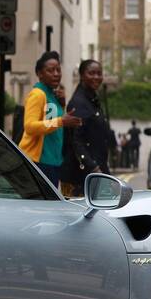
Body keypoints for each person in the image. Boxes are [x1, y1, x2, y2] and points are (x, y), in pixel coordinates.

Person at [18, 51, 81, 188]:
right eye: (50, 70)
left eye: (58, 69)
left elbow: (51, 125)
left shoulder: (53, 95)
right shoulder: (38, 94)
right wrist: (61, 121)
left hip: (53, 161)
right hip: (38, 162)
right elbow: (30, 126)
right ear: (40, 74)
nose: (56, 74)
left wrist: (62, 104)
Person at [61, 59, 115, 195]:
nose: (96, 77)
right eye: (91, 73)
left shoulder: (92, 99)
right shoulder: (79, 102)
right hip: (79, 177)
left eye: (99, 73)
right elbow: (76, 140)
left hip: (94, 173)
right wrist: (94, 168)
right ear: (82, 75)